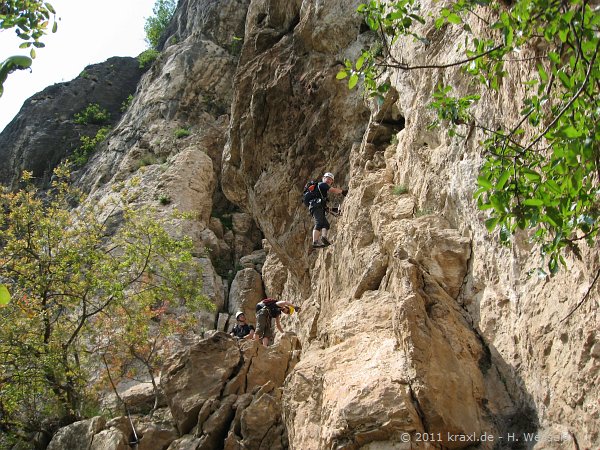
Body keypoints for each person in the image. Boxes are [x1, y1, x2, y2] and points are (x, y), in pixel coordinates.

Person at [308, 172, 347, 248]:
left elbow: (324, 206)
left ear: (332, 181)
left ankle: (324, 238)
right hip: (316, 206)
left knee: (325, 224)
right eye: (327, 178)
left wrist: (332, 209)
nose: (328, 180)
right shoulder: (322, 184)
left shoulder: (321, 191)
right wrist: (343, 192)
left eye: (330, 179)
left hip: (318, 206)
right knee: (319, 223)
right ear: (323, 178)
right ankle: (315, 242)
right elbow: (333, 190)